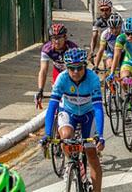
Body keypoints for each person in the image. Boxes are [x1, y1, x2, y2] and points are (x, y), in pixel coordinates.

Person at [41, 48, 105, 192]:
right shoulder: (62, 79)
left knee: (92, 156)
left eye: (79, 68)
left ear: (84, 66)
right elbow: (52, 107)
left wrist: (99, 135)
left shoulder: (93, 79)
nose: (75, 72)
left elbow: (98, 109)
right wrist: (47, 135)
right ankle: (71, 164)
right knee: (65, 137)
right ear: (66, 68)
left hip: (88, 113)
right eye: (71, 68)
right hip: (69, 111)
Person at [36, 23, 78, 107]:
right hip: (57, 71)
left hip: (71, 71)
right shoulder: (46, 49)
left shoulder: (73, 48)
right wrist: (40, 90)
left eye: (59, 38)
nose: (56, 41)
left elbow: (77, 70)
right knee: (56, 92)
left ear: (65, 37)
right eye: (54, 38)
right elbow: (43, 71)